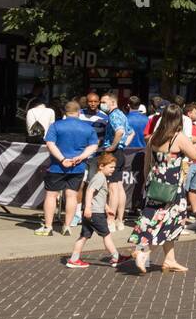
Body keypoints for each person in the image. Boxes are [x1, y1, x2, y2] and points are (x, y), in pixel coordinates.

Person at [130, 103, 196, 274]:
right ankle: (144, 253)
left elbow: (147, 163)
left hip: (155, 184)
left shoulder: (154, 137)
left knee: (163, 220)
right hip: (172, 186)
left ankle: (170, 260)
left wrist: (147, 181)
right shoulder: (178, 137)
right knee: (168, 222)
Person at [38, 100, 98, 236]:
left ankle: (48, 227)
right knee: (71, 196)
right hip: (77, 167)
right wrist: (81, 157)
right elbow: (93, 146)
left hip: (56, 167)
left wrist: (62, 159)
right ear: (79, 112)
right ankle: (67, 226)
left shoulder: (56, 126)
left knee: (51, 195)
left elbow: (50, 143)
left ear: (64, 112)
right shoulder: (88, 128)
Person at [65, 153, 126, 268]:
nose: (113, 170)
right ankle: (116, 257)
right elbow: (89, 192)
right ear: (101, 166)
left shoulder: (100, 177)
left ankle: (73, 260)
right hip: (95, 213)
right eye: (111, 167)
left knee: (84, 236)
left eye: (114, 167)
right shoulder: (99, 178)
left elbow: (98, 196)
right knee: (106, 235)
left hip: (92, 212)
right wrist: (88, 208)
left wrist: (107, 208)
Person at [98, 91, 131, 230]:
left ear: (112, 102)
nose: (101, 105)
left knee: (113, 188)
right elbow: (131, 132)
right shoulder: (122, 115)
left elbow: (120, 131)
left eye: (104, 102)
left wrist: (112, 147)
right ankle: (119, 220)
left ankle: (111, 221)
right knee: (118, 187)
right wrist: (123, 145)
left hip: (113, 152)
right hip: (120, 152)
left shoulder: (114, 115)